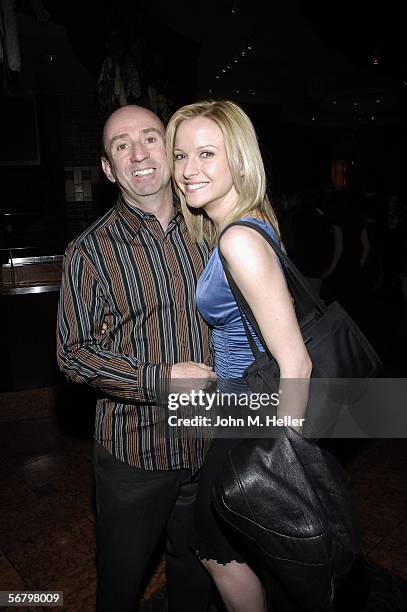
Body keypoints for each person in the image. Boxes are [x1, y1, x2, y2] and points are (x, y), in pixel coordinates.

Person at [57, 104, 217, 612]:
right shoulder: (90, 251)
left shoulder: (211, 231)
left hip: (210, 440)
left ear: (169, 153)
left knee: (198, 570)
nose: (139, 154)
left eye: (150, 138)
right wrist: (159, 378)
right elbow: (72, 352)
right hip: (135, 450)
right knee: (121, 585)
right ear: (109, 169)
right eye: (121, 146)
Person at [165, 100, 312, 612]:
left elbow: (297, 363)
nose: (188, 170)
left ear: (240, 162)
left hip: (254, 417)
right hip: (240, 408)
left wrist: (285, 456)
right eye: (180, 155)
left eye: (207, 153)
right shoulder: (241, 227)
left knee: (216, 548)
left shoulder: (239, 240)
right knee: (230, 545)